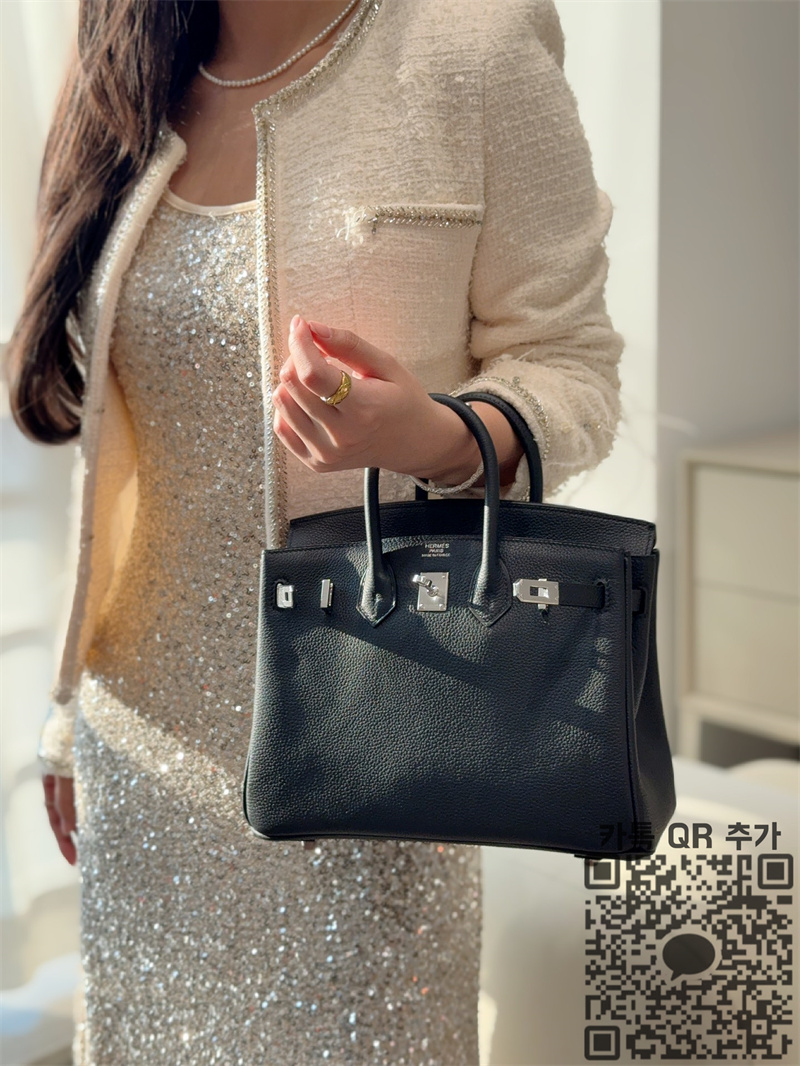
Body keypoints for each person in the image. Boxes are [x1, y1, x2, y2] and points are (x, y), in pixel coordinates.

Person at [5, 0, 624, 1061]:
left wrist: (436, 436)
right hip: (142, 742)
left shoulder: (474, 46)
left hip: (374, 737)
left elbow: (573, 366)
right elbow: (119, 449)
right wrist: (68, 709)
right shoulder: (119, 43)